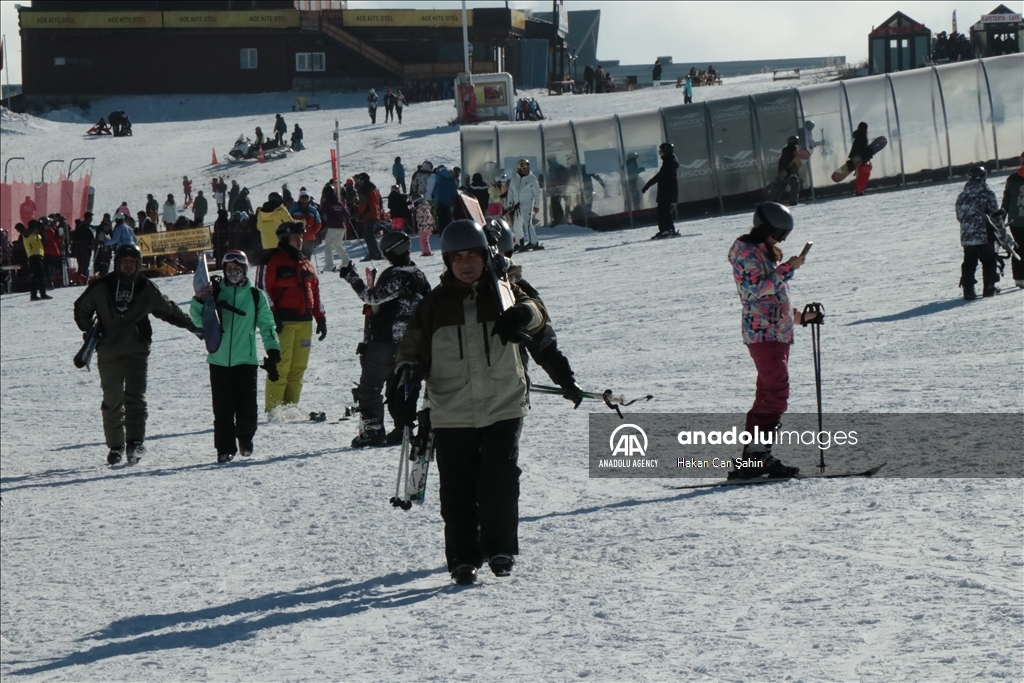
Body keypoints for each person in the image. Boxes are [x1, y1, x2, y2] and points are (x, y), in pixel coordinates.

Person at [393, 220, 548, 585]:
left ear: (484, 255)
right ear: (447, 261)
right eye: (457, 257)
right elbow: (410, 349)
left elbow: (537, 312)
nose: (466, 264)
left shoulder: (504, 291)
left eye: (472, 255)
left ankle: (500, 548)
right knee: (458, 490)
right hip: (452, 411)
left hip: (503, 403)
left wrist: (524, 315)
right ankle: (463, 557)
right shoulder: (433, 305)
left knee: (500, 482)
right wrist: (407, 376)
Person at [73, 243, 199, 465]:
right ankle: (115, 446)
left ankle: (134, 443)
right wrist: (89, 329)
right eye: (125, 262)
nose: (129, 266)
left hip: (136, 352)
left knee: (136, 399)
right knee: (112, 400)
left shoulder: (146, 289)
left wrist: (193, 327)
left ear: (139, 265)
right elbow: (81, 307)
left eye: (133, 262)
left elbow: (169, 310)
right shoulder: (102, 286)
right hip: (108, 351)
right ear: (118, 263)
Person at [727, 202, 820, 480]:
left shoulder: (762, 253)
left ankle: (755, 461)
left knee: (768, 395)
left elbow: (773, 299)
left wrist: (801, 317)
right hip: (763, 335)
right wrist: (787, 268)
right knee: (776, 394)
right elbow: (755, 291)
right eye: (778, 233)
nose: (780, 240)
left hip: (774, 332)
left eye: (784, 235)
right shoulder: (746, 254)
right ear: (765, 228)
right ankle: (756, 458)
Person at [340, 231, 431, 447]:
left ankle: (372, 429)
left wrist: (351, 277)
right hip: (412, 342)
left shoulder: (399, 275)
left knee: (371, 385)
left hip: (387, 339)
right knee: (400, 384)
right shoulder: (417, 274)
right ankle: (403, 427)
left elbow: (372, 297)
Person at [191, 250, 280, 463]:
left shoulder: (255, 296)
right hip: (219, 361)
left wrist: (273, 350)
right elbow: (197, 322)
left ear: (244, 270)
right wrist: (199, 300)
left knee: (247, 409)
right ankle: (225, 448)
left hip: (245, 361)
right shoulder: (214, 292)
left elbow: (267, 325)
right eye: (228, 269)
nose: (232, 273)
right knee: (222, 410)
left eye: (237, 269)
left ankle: (245, 438)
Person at [257, 221, 327, 412]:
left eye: (301, 236)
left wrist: (320, 317)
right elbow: (262, 290)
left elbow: (316, 290)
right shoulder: (271, 260)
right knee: (280, 366)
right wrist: (272, 316)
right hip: (283, 323)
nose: (300, 240)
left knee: (298, 368)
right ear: (285, 238)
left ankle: (290, 409)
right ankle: (274, 410)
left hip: (304, 323)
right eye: (296, 237)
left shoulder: (305, 261)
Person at [956, 166, 1001, 299]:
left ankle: (968, 289)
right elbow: (995, 215)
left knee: (969, 261)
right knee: (989, 260)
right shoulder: (988, 194)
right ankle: (989, 287)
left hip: (968, 236)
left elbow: (959, 216)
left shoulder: (962, 195)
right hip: (985, 234)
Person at [642, 142, 680, 239]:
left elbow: (660, 176)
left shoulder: (668, 162)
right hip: (667, 191)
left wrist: (647, 185)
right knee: (663, 211)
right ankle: (668, 229)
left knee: (663, 211)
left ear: (665, 151)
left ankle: (666, 230)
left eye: (661, 151)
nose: (660, 153)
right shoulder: (669, 161)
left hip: (666, 191)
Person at [505, 159, 542, 251]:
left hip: (527, 204)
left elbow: (537, 193)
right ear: (519, 169)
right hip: (517, 206)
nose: (526, 169)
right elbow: (510, 193)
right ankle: (519, 242)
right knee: (517, 225)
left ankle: (533, 242)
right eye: (524, 168)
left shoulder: (532, 179)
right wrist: (509, 204)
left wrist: (537, 205)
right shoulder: (515, 179)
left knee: (527, 223)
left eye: (527, 167)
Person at [1001, 152, 1024, 288]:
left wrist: (1000, 219)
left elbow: (1006, 201)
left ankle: (1019, 278)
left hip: (1015, 221)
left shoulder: (1012, 179)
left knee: (1018, 248)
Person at [319, 186, 352, 272]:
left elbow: (321, 213)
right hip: (342, 227)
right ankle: (346, 262)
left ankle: (329, 266)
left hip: (332, 227)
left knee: (328, 246)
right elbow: (347, 214)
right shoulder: (339, 202)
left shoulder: (327, 203)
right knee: (337, 245)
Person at [356, 174, 384, 261]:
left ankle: (376, 253)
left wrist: (360, 212)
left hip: (368, 214)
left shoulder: (365, 188)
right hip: (375, 212)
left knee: (369, 235)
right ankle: (373, 253)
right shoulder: (374, 188)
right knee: (369, 235)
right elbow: (380, 202)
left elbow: (363, 202)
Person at [289, 190, 322, 259]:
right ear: (299, 198)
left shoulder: (313, 210)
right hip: (297, 238)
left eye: (306, 197)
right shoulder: (293, 209)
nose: (304, 199)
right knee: (297, 257)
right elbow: (288, 221)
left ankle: (307, 269)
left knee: (307, 257)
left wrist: (313, 232)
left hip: (309, 238)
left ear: (309, 199)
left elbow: (318, 223)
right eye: (302, 197)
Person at [24, 221, 51, 301]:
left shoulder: (36, 235)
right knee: (39, 275)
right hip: (34, 256)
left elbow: (43, 242)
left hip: (39, 255)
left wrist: (43, 233)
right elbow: (27, 235)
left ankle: (38, 294)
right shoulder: (27, 234)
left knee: (39, 276)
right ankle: (38, 294)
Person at [775, 135, 802, 206]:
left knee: (782, 187)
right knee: (795, 185)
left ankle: (774, 202)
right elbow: (788, 163)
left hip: (784, 172)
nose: (797, 142)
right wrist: (791, 173)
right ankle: (793, 202)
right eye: (796, 141)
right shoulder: (790, 151)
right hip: (787, 172)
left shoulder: (790, 150)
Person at [848, 122, 873, 196]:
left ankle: (859, 190)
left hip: (857, 158)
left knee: (862, 175)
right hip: (860, 158)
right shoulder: (862, 136)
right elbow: (861, 149)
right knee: (863, 175)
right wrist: (866, 156)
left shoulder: (859, 135)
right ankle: (859, 191)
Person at [432, 166, 458, 234]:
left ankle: (442, 232)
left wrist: (433, 195)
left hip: (440, 200)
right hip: (449, 200)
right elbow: (454, 189)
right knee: (448, 216)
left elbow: (436, 187)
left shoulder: (439, 176)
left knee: (441, 217)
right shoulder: (452, 177)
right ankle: (448, 232)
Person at [72, 214, 95, 279]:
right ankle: (83, 278)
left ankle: (81, 277)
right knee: (84, 264)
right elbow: (91, 238)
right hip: (84, 248)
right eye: (90, 218)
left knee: (82, 264)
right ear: (87, 218)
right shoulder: (85, 227)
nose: (91, 219)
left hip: (80, 248)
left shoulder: (81, 226)